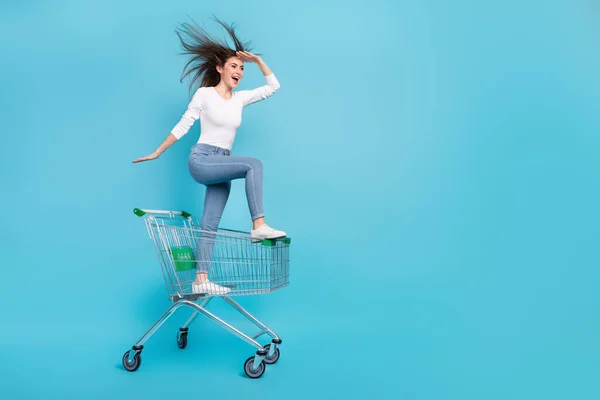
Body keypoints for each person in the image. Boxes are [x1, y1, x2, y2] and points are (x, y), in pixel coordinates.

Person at [133, 18, 287, 294]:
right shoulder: (205, 95)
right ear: (220, 68)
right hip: (203, 160)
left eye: (241, 67)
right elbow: (183, 125)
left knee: (210, 225)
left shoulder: (241, 98)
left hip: (222, 163)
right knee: (254, 164)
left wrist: (258, 61)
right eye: (233, 66)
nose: (239, 71)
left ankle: (200, 279)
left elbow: (273, 86)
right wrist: (157, 151)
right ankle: (259, 225)